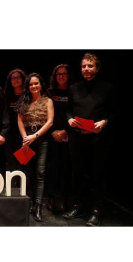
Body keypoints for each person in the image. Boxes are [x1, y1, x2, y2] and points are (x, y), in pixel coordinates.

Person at [63, 53, 115, 226]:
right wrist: (69, 119)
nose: (86, 69)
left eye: (90, 66)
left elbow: (115, 112)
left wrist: (105, 122)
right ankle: (77, 206)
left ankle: (95, 211)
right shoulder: (74, 88)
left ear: (97, 68)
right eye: (84, 66)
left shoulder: (107, 88)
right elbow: (68, 110)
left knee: (97, 175)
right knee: (77, 173)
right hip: (77, 137)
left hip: (98, 138)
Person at [15, 73, 54, 222]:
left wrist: (35, 136)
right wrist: (25, 137)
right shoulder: (23, 100)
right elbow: (19, 120)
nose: (34, 86)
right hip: (27, 139)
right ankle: (30, 202)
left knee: (40, 172)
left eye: (36, 83)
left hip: (41, 139)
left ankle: (38, 206)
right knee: (28, 173)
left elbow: (50, 122)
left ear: (41, 84)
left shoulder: (48, 101)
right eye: (31, 84)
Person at [46, 64, 73, 214]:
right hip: (52, 135)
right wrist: (53, 132)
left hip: (69, 134)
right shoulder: (50, 92)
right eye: (58, 74)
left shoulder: (73, 91)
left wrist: (65, 131)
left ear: (68, 76)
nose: (61, 77)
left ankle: (63, 199)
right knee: (52, 168)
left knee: (66, 169)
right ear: (54, 77)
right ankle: (51, 198)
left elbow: (76, 113)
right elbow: (45, 115)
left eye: (64, 74)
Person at [3, 69, 27, 187]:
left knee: (23, 162)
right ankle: (11, 189)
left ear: (23, 80)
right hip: (9, 135)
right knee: (11, 163)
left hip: (24, 135)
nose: (16, 80)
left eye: (18, 77)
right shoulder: (6, 96)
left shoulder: (28, 96)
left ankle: (23, 190)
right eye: (13, 78)